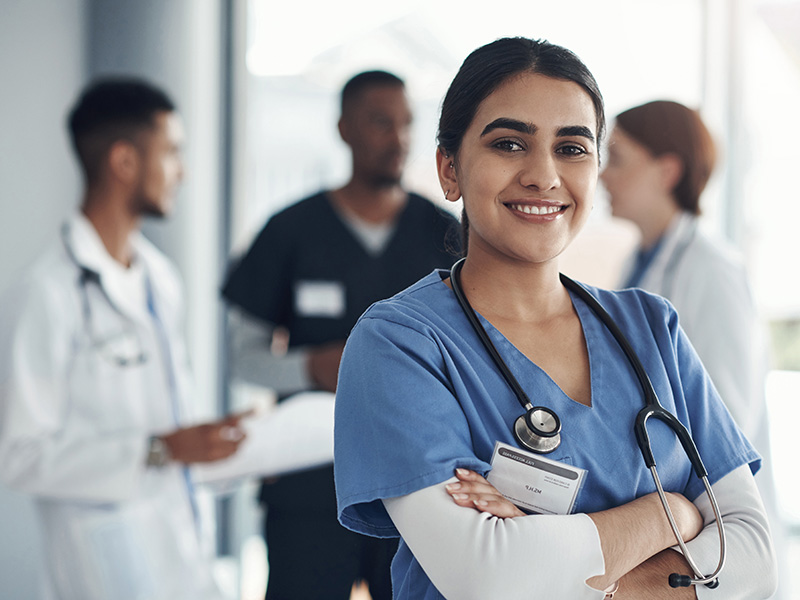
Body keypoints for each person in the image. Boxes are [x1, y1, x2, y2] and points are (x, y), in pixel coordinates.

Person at [334, 37, 777, 599]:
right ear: (450, 170)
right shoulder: (400, 344)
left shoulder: (650, 329)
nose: (543, 175)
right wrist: (675, 515)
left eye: (571, 148)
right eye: (509, 143)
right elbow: (491, 579)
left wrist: (571, 567)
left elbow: (757, 561)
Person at [0, 78, 247, 600]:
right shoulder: (50, 292)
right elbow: (18, 454)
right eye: (173, 152)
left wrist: (213, 444)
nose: (183, 171)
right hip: (102, 569)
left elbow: (171, 423)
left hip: (180, 556)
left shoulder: (160, 280)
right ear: (125, 161)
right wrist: (159, 450)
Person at [222, 70, 459, 599]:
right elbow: (241, 358)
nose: (397, 138)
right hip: (309, 487)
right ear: (344, 129)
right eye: (380, 123)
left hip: (417, 485)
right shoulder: (289, 231)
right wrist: (309, 367)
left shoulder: (447, 237)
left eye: (405, 125)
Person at [600, 99, 787, 598]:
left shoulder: (711, 268)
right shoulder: (639, 266)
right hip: (663, 528)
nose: (601, 176)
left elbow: (726, 418)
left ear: (666, 170)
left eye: (616, 158)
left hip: (712, 531)